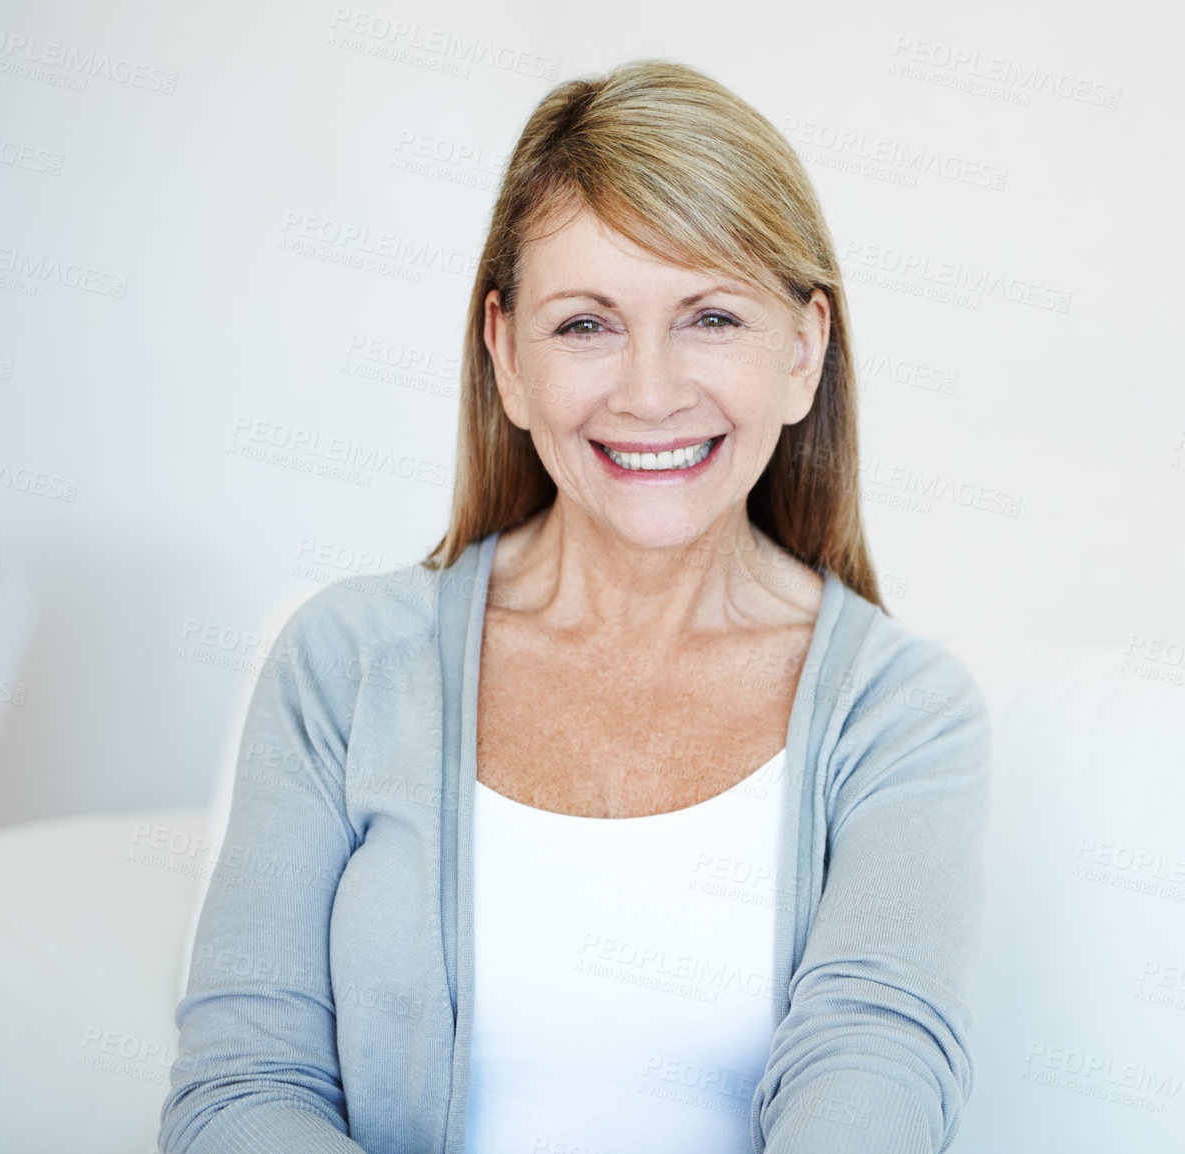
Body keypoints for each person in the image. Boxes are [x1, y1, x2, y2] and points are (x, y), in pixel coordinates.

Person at [161, 57, 992, 1154]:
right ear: (505, 354)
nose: (648, 391)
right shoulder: (345, 662)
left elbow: (877, 1078)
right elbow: (238, 1092)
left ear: (803, 352)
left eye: (709, 316)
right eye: (586, 325)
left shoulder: (905, 713)